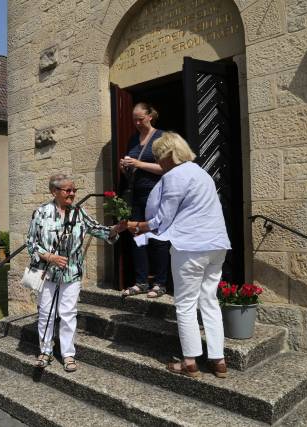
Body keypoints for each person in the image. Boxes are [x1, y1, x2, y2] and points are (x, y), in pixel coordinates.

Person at [128, 132, 231, 378]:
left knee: (185, 304)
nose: (159, 162)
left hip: (191, 246)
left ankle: (189, 362)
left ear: (168, 155)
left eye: (159, 156)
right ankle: (218, 360)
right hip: (216, 245)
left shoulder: (174, 175)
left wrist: (139, 226)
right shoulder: (201, 172)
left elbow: (163, 218)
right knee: (209, 301)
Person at [27, 174, 127, 372]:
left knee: (68, 314)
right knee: (47, 313)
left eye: (74, 190)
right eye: (68, 190)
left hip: (72, 273)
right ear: (54, 192)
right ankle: (45, 351)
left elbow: (99, 230)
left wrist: (116, 228)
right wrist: (49, 257)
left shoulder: (78, 213)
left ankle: (68, 354)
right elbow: (31, 244)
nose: (72, 194)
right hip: (48, 273)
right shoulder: (41, 213)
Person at [120, 102, 170, 298]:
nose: (137, 123)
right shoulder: (133, 139)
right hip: (136, 195)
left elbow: (167, 167)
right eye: (134, 120)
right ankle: (141, 281)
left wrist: (139, 163)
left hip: (156, 194)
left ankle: (160, 283)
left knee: (157, 236)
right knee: (138, 236)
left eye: (140, 119)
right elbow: (131, 172)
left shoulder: (162, 137)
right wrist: (125, 167)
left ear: (150, 116)